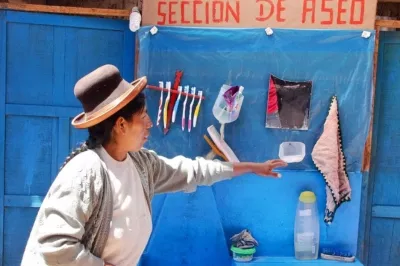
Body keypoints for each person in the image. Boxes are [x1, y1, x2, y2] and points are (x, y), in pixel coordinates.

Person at [21, 64, 287, 266]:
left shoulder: (140, 164)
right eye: (143, 116)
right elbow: (54, 243)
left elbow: (193, 171)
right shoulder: (86, 171)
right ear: (121, 124)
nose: (150, 123)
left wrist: (251, 167)